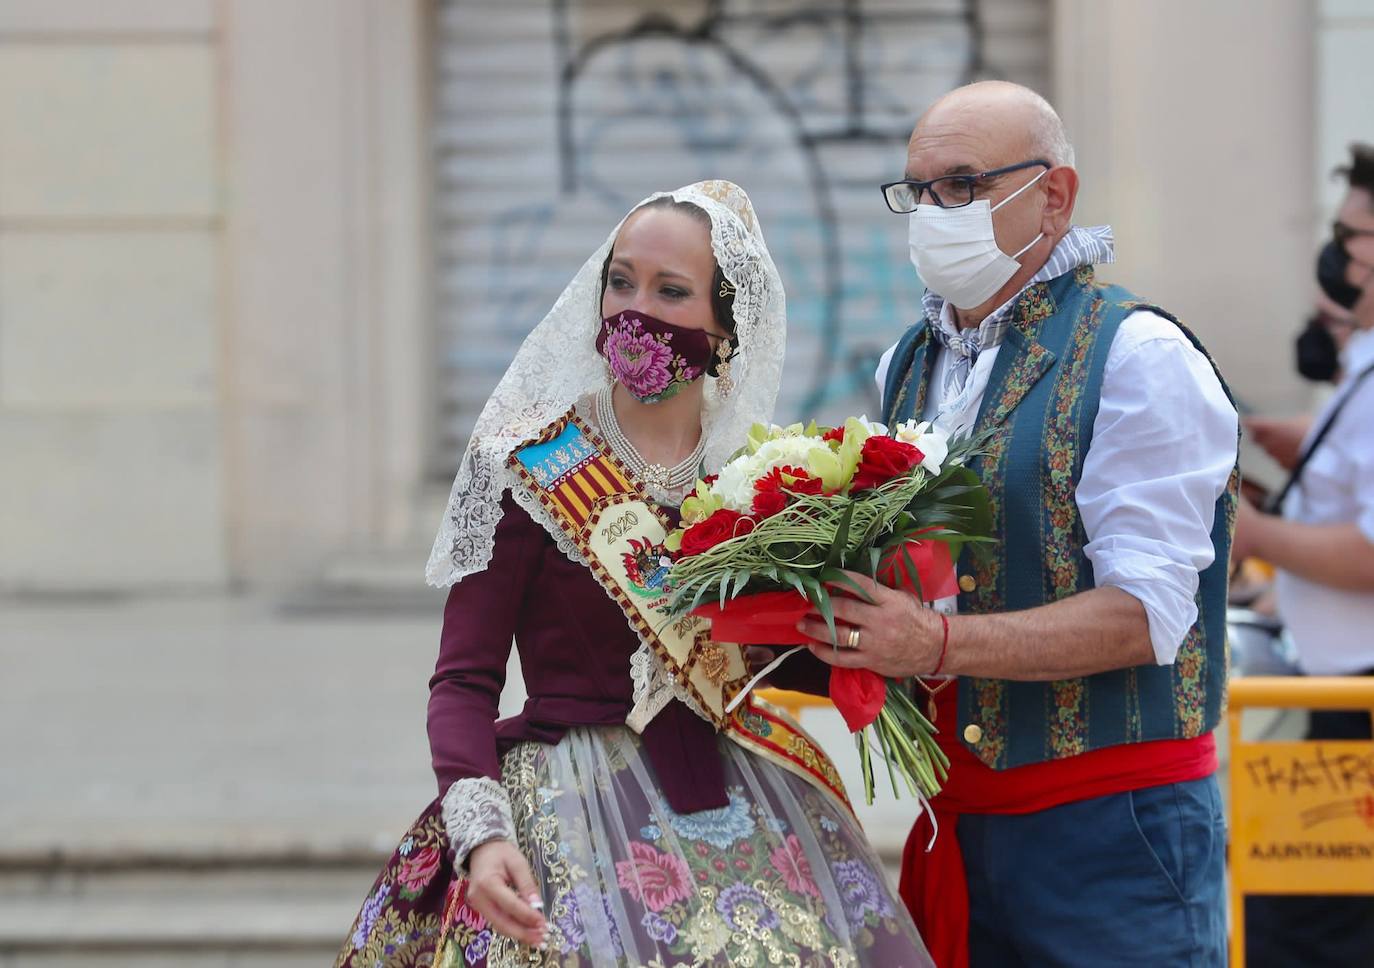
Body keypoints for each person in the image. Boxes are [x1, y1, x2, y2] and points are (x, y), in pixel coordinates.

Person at [334, 181, 933, 967]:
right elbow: (463, 682)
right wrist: (480, 838)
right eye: (621, 281)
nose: (634, 309)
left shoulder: (766, 482)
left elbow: (793, 661)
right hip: (568, 804)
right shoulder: (530, 464)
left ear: (725, 325)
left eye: (671, 290)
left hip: (745, 789)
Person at [796, 82, 1239, 967]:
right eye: (918, 191)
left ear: (1055, 195)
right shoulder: (907, 362)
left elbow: (1147, 613)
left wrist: (931, 644)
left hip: (1115, 836)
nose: (933, 212)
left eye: (962, 185)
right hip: (960, 821)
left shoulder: (1140, 357)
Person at [1233, 142, 1374, 968]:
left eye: (1352, 235)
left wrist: (1253, 536)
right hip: (1336, 689)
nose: (1338, 251)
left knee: (1309, 932)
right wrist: (1298, 452)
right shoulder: (1360, 358)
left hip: (1357, 698)